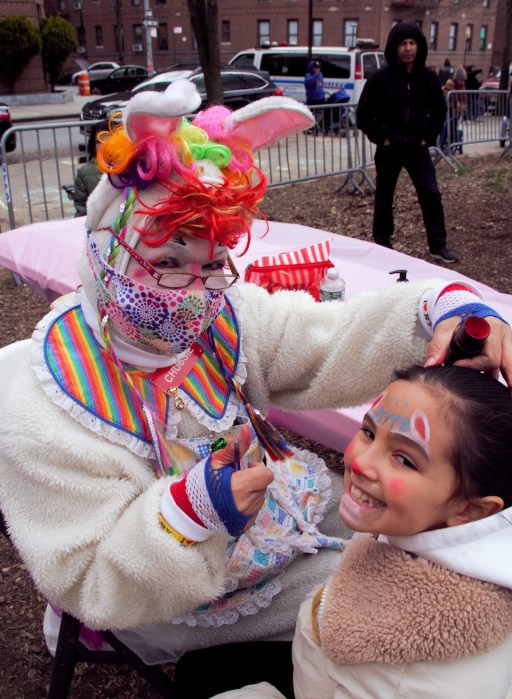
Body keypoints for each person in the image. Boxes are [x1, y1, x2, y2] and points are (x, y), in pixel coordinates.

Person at [0, 78, 510, 686]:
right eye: (167, 262)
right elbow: (91, 580)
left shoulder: (224, 313)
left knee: (433, 536)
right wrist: (190, 513)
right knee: (399, 596)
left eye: (214, 262)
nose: (196, 292)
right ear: (105, 248)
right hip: (172, 596)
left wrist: (436, 310)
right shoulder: (46, 399)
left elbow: (322, 340)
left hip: (273, 516)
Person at [210, 364, 512, 699]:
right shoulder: (416, 523)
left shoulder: (417, 684)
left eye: (405, 459)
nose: (360, 462)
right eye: (369, 432)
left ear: (472, 509)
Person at [356, 23, 459, 264]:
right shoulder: (380, 79)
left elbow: (439, 111)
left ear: (419, 46)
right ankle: (382, 242)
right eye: (403, 43)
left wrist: (429, 135)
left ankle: (438, 245)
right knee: (384, 196)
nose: (408, 48)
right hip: (389, 148)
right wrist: (382, 137)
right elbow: (363, 114)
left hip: (417, 148)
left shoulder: (429, 78)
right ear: (395, 47)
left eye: (412, 43)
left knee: (431, 194)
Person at [73, 122, 103, 217]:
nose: (106, 144)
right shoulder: (85, 173)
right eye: (99, 141)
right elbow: (81, 209)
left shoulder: (131, 169)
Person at [304, 60, 325, 133]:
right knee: (310, 114)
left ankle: (316, 126)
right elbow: (309, 83)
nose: (317, 69)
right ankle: (310, 127)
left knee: (320, 114)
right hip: (312, 98)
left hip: (320, 98)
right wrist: (316, 75)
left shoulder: (320, 74)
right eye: (316, 68)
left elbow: (320, 85)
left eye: (318, 67)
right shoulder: (308, 75)